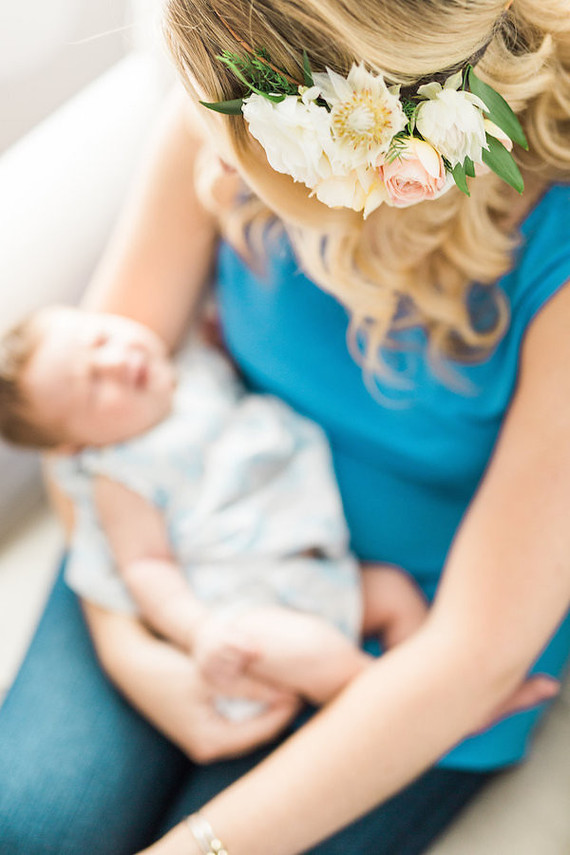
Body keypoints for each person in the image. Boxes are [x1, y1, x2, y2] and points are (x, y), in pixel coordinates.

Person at [1, 0, 570, 853]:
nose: (211, 150)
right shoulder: (218, 112)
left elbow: (471, 652)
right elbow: (80, 421)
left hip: (402, 638)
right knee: (37, 828)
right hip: (186, 547)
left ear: (345, 152)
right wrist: (138, 653)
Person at [0, 304, 429, 715]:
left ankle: (430, 671)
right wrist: (199, 630)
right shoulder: (121, 474)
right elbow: (146, 567)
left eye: (100, 338)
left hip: (323, 569)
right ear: (75, 445)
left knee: (394, 593)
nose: (113, 361)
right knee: (319, 656)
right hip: (252, 608)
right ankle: (408, 707)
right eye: (92, 387)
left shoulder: (194, 370)